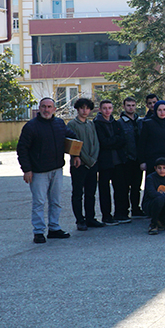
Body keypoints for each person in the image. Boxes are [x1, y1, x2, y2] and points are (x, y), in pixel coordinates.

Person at [66, 98, 102, 231]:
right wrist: (85, 158)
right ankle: (80, 220)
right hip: (79, 164)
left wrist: (93, 158)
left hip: (92, 164)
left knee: (91, 193)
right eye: (82, 108)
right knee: (77, 193)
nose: (85, 110)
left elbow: (96, 143)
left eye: (87, 108)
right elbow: (73, 145)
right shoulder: (72, 125)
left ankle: (90, 218)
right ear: (77, 109)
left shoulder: (91, 124)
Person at [94, 99, 128, 224]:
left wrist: (112, 141)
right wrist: (115, 141)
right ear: (100, 109)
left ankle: (120, 213)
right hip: (104, 162)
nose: (107, 110)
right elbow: (103, 142)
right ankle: (106, 216)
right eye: (104, 108)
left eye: (109, 108)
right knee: (105, 190)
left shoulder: (116, 123)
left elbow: (123, 139)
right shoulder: (97, 124)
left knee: (120, 188)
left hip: (118, 160)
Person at [119, 96, 146, 219]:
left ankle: (136, 208)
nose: (131, 107)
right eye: (128, 105)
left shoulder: (140, 121)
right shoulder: (119, 123)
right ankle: (124, 210)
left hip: (138, 159)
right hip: (126, 159)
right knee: (124, 187)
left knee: (136, 186)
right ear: (124, 107)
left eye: (133, 105)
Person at [138, 100, 165, 173]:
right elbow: (142, 143)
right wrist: (142, 161)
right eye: (159, 110)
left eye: (164, 110)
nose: (162, 112)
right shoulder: (148, 124)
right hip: (153, 160)